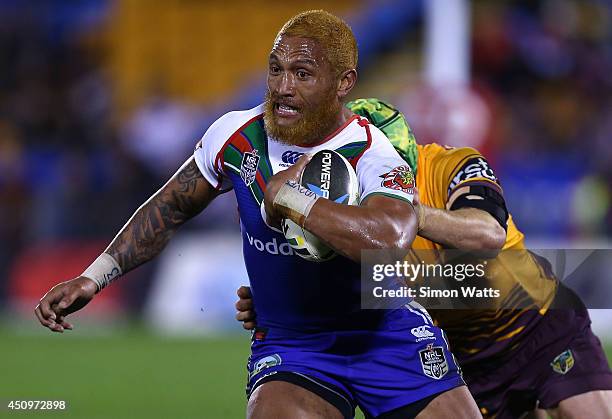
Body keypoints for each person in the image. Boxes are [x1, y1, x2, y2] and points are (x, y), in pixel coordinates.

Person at [35, 11, 481, 419]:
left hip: (386, 334)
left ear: (344, 83)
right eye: (275, 69)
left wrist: (295, 202)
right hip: (295, 345)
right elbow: (169, 207)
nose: (283, 87)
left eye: (302, 74)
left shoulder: (373, 153)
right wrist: (95, 276)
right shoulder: (234, 135)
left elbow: (389, 240)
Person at [235, 98, 612, 419]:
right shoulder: (346, 212)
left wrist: (415, 215)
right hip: (458, 360)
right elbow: (343, 291)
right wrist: (276, 300)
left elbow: (488, 234)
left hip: (537, 323)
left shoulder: (454, 164)